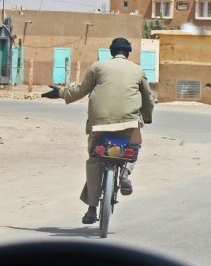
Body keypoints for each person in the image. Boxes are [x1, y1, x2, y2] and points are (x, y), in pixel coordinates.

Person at [41, 37, 154, 224]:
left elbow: (80, 90)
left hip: (100, 123)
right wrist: (147, 117)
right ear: (128, 53)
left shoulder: (98, 67)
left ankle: (92, 209)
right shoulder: (138, 70)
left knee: (95, 160)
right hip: (129, 122)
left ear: (111, 52)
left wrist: (61, 92)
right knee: (133, 147)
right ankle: (125, 174)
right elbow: (148, 98)